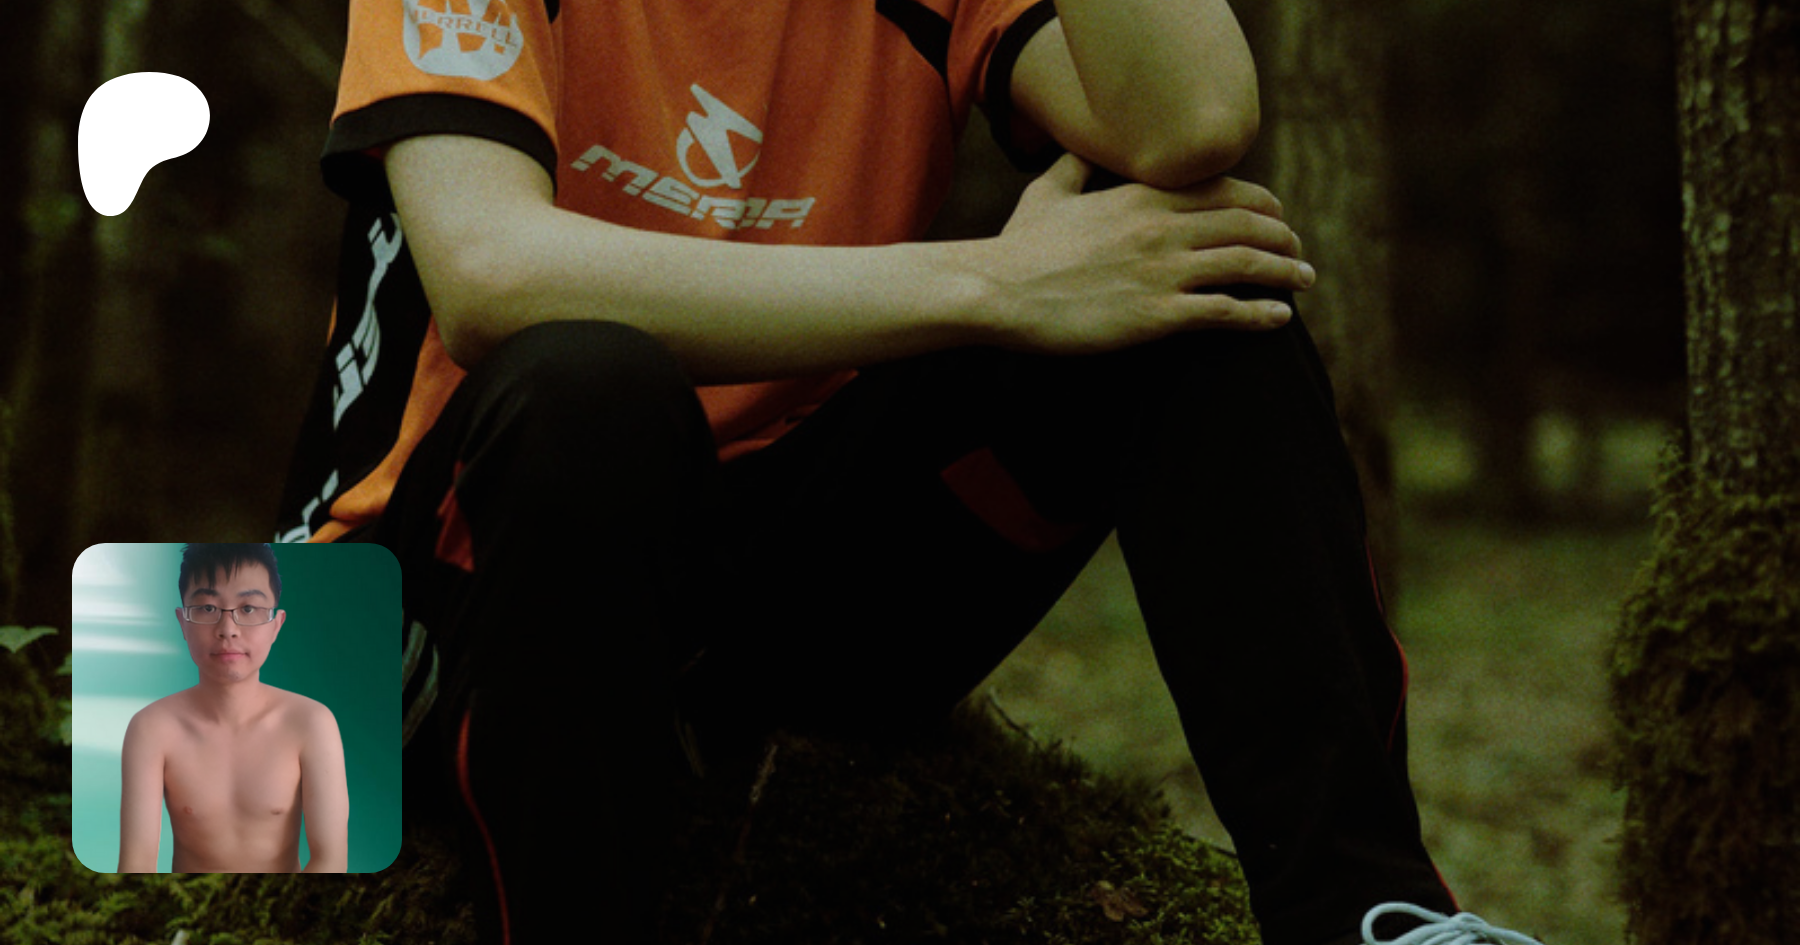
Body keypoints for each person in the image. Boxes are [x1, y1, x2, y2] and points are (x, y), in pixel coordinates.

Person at [275, 1, 1544, 943]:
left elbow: (1193, 119)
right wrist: (995, 284)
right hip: (399, 612)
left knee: (1185, 273)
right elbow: (493, 276)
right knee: (587, 385)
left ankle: (1367, 916)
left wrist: (1034, 290)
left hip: (757, 596)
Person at [117, 543, 349, 873]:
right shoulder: (151, 728)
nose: (228, 630)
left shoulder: (311, 722)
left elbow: (331, 859)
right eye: (207, 608)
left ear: (276, 624)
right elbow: (136, 863)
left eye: (249, 608)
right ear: (182, 622)